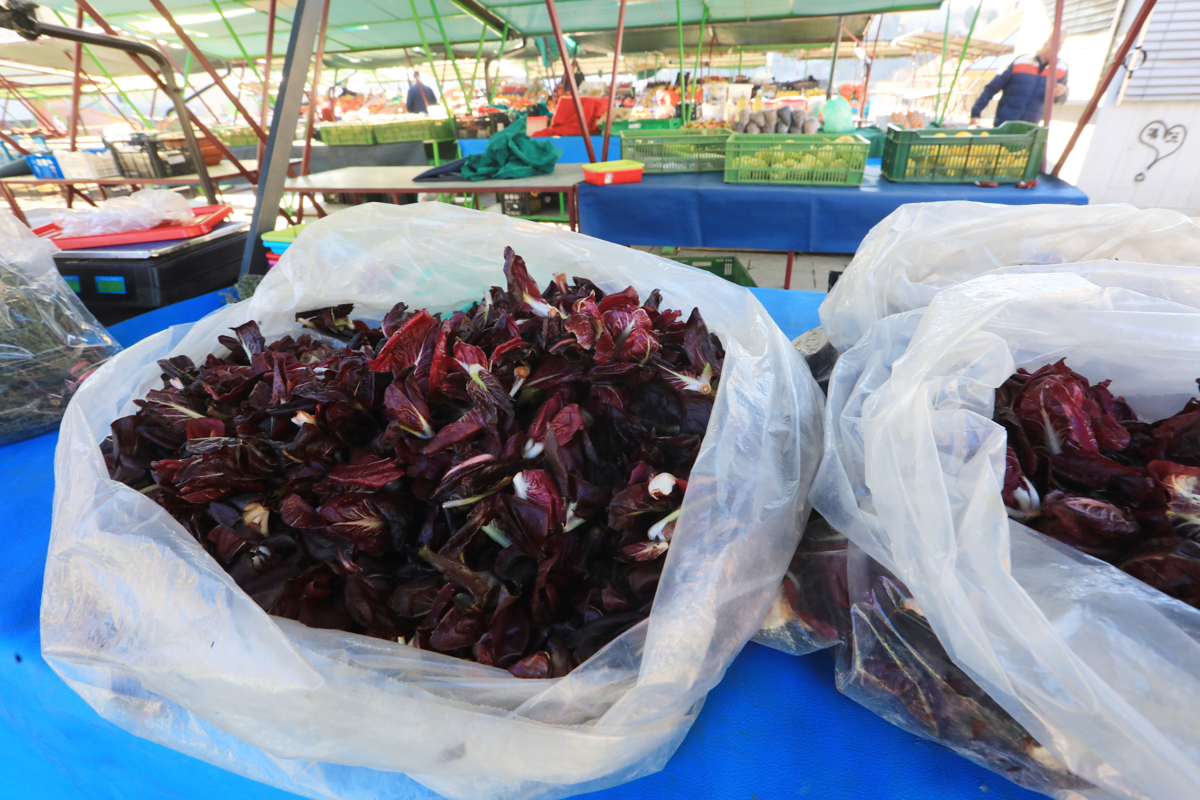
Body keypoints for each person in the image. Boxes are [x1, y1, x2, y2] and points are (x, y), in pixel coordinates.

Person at [970, 36, 1068, 126]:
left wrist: (1059, 95)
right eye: (1055, 46)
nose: (1057, 50)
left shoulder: (1061, 68)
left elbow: (1061, 99)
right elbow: (991, 89)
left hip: (1030, 127)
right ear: (1045, 45)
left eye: (1060, 47)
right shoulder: (1020, 61)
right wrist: (976, 112)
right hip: (1004, 123)